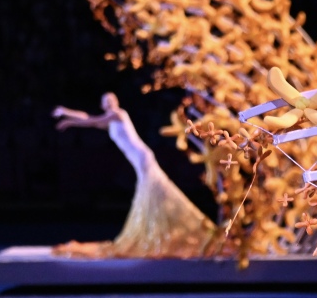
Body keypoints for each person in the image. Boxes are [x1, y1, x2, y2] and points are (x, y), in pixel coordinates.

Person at [50, 93, 221, 258]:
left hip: (142, 157)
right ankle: (165, 232)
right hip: (139, 161)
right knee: (154, 195)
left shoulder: (118, 114)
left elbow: (92, 120)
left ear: (116, 102)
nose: (109, 103)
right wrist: (66, 112)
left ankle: (184, 232)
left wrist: (69, 121)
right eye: (106, 101)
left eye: (112, 100)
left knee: (153, 194)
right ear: (103, 105)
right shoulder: (110, 120)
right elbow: (90, 118)